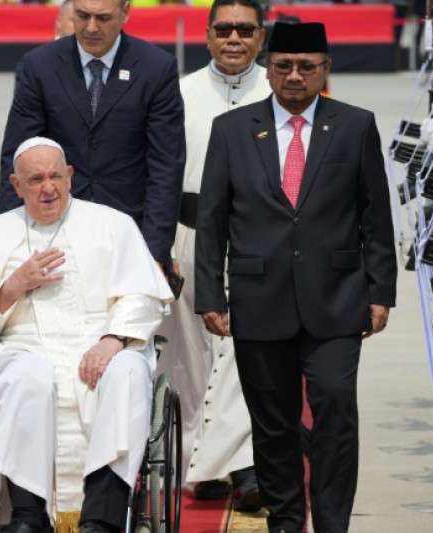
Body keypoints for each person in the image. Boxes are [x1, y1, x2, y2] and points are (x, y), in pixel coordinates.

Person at [194, 22, 397, 533]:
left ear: (325, 70)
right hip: (258, 298)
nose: (294, 76)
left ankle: (331, 523)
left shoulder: (355, 125)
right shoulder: (233, 129)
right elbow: (212, 220)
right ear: (268, 69)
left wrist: (381, 291)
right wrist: (210, 294)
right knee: (272, 422)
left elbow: (375, 214)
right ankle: (285, 521)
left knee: (335, 410)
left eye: (307, 66)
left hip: (338, 298)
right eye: (283, 65)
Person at [0, 137, 173, 533]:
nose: (48, 187)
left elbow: (144, 296)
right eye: (35, 180)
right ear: (16, 185)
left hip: (101, 341)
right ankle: (27, 516)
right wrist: (13, 286)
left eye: (55, 176)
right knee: (25, 378)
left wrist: (114, 339)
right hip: (23, 345)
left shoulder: (113, 224)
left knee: (127, 373)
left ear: (70, 176)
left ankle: (101, 519)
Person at [156, 0, 270, 507]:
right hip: (189, 232)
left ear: (261, 36)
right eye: (224, 29)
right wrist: (159, 246)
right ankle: (200, 464)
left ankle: (245, 463)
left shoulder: (278, 91)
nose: (234, 39)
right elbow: (159, 172)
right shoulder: (179, 93)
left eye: (245, 30)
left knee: (249, 353)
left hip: (257, 238)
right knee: (189, 351)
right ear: (207, 35)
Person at [0, 0, 185, 271]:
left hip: (129, 234)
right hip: (52, 233)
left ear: (125, 12)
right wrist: (13, 241)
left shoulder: (156, 69)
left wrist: (155, 253)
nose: (91, 27)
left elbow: (166, 167)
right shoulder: (39, 66)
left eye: (103, 18)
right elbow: (17, 158)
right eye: (82, 16)